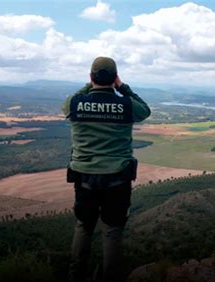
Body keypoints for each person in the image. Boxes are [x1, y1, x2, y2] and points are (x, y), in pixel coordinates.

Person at [62, 56, 151, 282]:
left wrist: (90, 85)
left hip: (85, 179)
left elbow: (72, 100)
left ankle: (75, 276)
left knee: (83, 227)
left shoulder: (74, 104)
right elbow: (146, 110)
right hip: (117, 180)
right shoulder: (126, 105)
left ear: (91, 78)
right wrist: (123, 88)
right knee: (112, 232)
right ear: (114, 79)